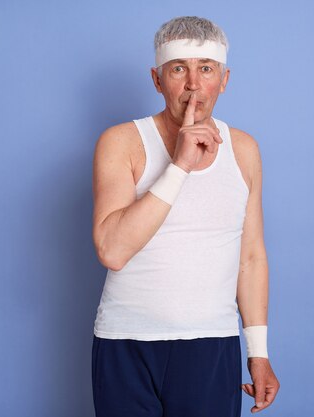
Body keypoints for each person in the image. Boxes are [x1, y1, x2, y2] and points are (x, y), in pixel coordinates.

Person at [91, 16, 279, 417]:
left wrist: (258, 352)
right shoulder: (121, 142)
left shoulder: (243, 150)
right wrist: (178, 166)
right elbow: (113, 250)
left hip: (210, 342)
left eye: (206, 69)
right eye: (179, 69)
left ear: (224, 79)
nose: (193, 84)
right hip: (126, 341)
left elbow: (251, 258)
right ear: (158, 80)